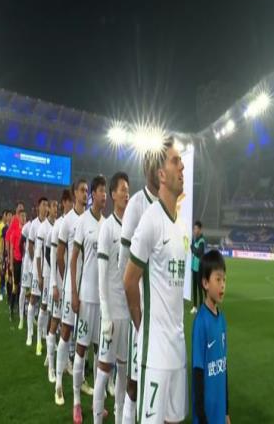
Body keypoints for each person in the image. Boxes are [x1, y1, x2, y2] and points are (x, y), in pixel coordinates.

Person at [124, 136, 188, 424]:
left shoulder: (181, 225)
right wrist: (141, 325)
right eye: (176, 161)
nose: (182, 167)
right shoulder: (150, 219)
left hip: (178, 348)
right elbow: (129, 281)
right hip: (156, 352)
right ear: (161, 175)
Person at [118, 153, 159, 424]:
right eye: (154, 164)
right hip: (141, 313)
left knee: (155, 383)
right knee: (133, 384)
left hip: (161, 316)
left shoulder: (167, 205)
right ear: (146, 168)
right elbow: (124, 265)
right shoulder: (136, 204)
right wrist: (134, 314)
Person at [93, 172, 130, 424]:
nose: (126, 194)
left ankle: (119, 419)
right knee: (104, 371)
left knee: (124, 372)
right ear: (114, 194)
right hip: (112, 315)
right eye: (123, 190)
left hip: (127, 313)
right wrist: (105, 314)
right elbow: (102, 275)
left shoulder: (132, 227)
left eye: (128, 190)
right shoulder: (107, 227)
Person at [71, 175, 107, 424]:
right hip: (85, 296)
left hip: (103, 300)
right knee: (81, 348)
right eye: (101, 191)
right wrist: (74, 293)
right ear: (93, 194)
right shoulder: (83, 222)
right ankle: (76, 402)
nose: (104, 195)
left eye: (106, 191)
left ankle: (97, 404)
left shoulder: (107, 224)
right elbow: (73, 259)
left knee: (99, 351)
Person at [55, 179, 93, 406]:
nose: (85, 194)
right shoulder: (67, 221)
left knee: (83, 338)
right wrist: (68, 284)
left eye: (87, 191)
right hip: (72, 289)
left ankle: (81, 380)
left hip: (86, 288)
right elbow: (60, 256)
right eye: (82, 190)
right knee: (66, 332)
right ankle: (59, 383)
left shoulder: (89, 219)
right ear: (74, 194)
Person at [192, 250, 230, 424]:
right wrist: (202, 417)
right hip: (206, 414)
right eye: (218, 279)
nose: (223, 285)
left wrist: (226, 411)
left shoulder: (222, 320)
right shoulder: (201, 322)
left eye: (224, 280)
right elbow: (197, 373)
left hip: (219, 410)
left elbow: (224, 367)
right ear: (205, 283)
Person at [46, 189, 74, 383]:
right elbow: (53, 256)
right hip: (59, 282)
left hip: (71, 286)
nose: (72, 204)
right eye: (69, 201)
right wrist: (55, 284)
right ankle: (51, 364)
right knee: (55, 321)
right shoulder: (58, 225)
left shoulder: (76, 222)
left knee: (67, 326)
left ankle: (65, 362)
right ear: (65, 202)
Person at [35, 199, 58, 356]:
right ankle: (38, 340)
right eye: (53, 206)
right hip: (46, 274)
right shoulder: (43, 228)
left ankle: (50, 338)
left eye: (57, 207)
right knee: (43, 306)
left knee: (53, 310)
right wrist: (40, 275)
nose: (56, 209)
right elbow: (38, 254)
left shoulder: (58, 225)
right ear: (48, 209)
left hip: (55, 276)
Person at [26, 197, 49, 347]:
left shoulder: (50, 224)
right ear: (38, 207)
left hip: (47, 271)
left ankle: (43, 332)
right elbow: (30, 246)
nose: (46, 207)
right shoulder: (34, 225)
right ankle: (30, 333)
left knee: (45, 303)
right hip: (37, 269)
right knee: (34, 299)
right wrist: (36, 262)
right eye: (43, 205)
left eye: (47, 205)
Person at [9, 209, 26, 322]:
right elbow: (11, 249)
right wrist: (11, 264)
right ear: (18, 218)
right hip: (17, 261)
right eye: (22, 216)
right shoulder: (15, 232)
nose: (24, 218)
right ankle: (11, 309)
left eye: (25, 216)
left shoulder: (27, 231)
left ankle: (22, 310)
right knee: (15, 286)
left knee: (24, 288)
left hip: (25, 263)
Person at [18, 213, 33, 330]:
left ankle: (32, 317)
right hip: (28, 264)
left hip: (37, 265)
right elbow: (20, 243)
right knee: (23, 290)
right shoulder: (27, 226)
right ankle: (21, 318)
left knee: (34, 293)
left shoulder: (44, 225)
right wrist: (24, 255)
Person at [190, 220, 206, 314]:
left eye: (196, 228)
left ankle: (201, 307)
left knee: (200, 288)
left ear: (200, 229)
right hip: (194, 267)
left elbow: (198, 252)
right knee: (194, 288)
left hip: (200, 268)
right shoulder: (195, 239)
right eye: (194, 228)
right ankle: (195, 306)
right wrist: (193, 248)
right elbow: (193, 251)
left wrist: (192, 248)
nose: (194, 230)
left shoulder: (201, 241)